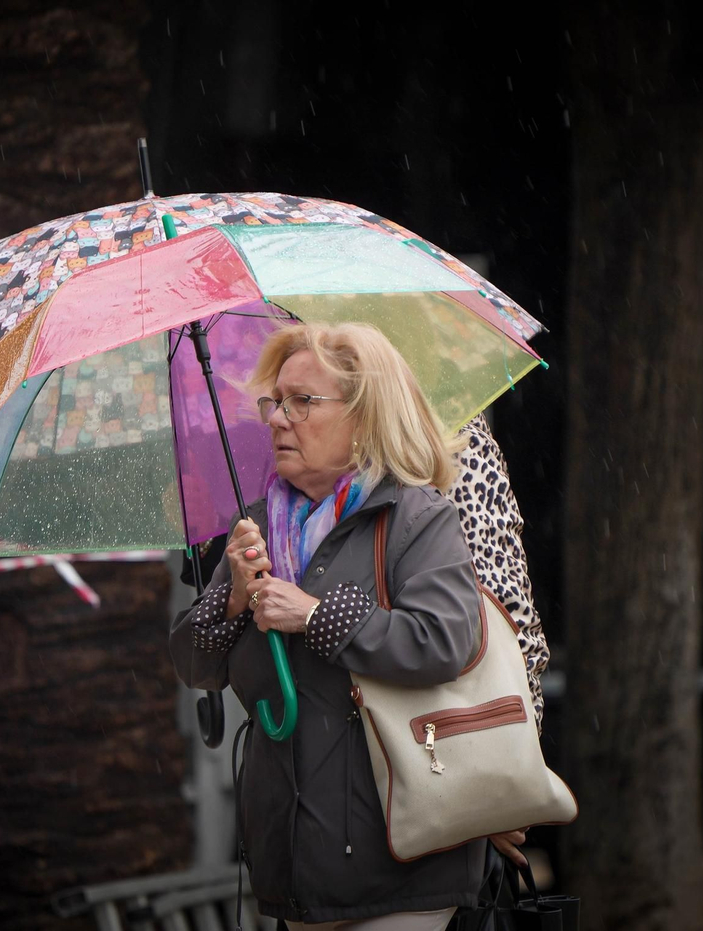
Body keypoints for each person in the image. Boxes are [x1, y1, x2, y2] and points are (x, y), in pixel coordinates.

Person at [169, 323, 539, 930]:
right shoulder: (257, 527)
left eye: (303, 402)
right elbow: (191, 663)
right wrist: (232, 598)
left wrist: (316, 615)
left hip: (402, 862)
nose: (278, 419)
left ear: (365, 416)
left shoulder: (417, 518)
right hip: (294, 865)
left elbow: (445, 642)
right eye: (275, 401)